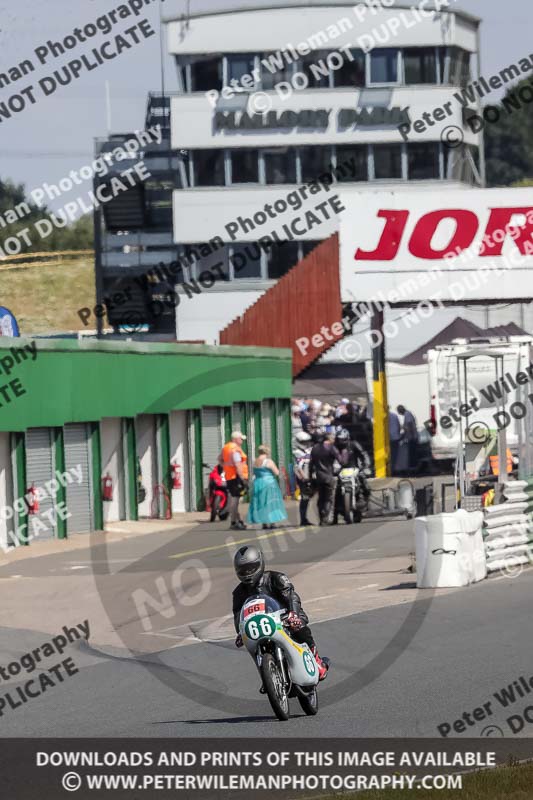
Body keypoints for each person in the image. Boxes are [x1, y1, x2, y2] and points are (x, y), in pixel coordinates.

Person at [232, 545, 329, 680]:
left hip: (285, 617)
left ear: (260, 563)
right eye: (243, 570)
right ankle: (266, 677)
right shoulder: (238, 593)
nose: (247, 573)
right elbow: (238, 614)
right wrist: (239, 631)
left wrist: (293, 613)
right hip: (260, 625)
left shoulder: (276, 578)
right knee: (250, 644)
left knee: (298, 626)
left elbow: (291, 596)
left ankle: (315, 658)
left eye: (251, 568)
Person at [246, 445, 288, 530]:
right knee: (271, 502)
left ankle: (264, 522)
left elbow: (253, 472)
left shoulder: (255, 461)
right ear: (267, 452)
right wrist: (283, 474)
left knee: (261, 502)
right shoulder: (268, 461)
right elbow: (276, 472)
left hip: (258, 482)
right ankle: (272, 522)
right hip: (269, 483)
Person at [310, 433, 342, 525]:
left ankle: (321, 518)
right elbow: (341, 460)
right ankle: (325, 516)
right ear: (329, 439)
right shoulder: (331, 448)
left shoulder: (315, 448)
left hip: (318, 477)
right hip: (328, 476)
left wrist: (310, 476)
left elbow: (311, 464)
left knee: (321, 498)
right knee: (328, 498)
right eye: (333, 438)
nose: (334, 440)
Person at [334, 427, 371, 504]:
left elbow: (363, 454)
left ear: (347, 438)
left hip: (355, 468)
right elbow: (330, 457)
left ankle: (366, 497)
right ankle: (336, 506)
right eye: (339, 439)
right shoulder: (335, 447)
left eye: (343, 439)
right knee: (335, 487)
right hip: (341, 470)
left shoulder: (354, 444)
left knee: (363, 481)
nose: (341, 441)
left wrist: (366, 464)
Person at [220, 431, 248, 531]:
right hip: (236, 477)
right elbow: (237, 464)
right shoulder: (235, 450)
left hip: (229, 477)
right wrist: (242, 478)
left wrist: (226, 468)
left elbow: (220, 459)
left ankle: (238, 520)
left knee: (234, 500)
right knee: (235, 501)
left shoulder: (226, 448)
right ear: (235, 439)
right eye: (241, 439)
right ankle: (234, 522)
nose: (242, 441)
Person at [293, 431, 314, 526]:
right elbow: (298, 467)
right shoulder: (297, 453)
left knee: (308, 498)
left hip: (311, 476)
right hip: (303, 478)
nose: (305, 443)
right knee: (304, 498)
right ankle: (303, 519)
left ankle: (305, 518)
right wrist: (304, 478)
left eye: (306, 441)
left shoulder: (309, 450)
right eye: (303, 442)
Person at [397, 405, 418, 473]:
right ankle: (413, 468)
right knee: (412, 453)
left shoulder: (407, 414)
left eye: (399, 412)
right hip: (412, 437)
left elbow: (409, 425)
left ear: (401, 410)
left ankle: (413, 469)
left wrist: (409, 435)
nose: (399, 414)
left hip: (412, 437)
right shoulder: (408, 414)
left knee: (412, 454)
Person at [388, 408, 401, 475]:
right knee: (395, 455)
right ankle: (395, 469)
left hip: (389, 439)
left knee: (389, 455)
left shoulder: (383, 416)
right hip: (396, 438)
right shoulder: (394, 415)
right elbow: (399, 426)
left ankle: (391, 470)